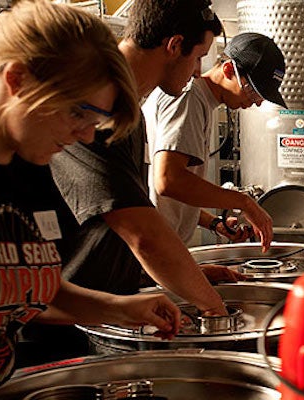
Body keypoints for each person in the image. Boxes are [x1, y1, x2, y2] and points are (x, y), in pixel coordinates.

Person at [0, 0, 180, 388]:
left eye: (94, 122)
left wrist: (123, 309)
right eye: (78, 114)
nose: (84, 136)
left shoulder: (33, 167)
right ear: (17, 80)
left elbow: (27, 288)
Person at [44, 0, 231, 314]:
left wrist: (186, 277)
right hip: (65, 321)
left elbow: (111, 224)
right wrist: (217, 311)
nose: (198, 72)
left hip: (104, 305)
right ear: (174, 45)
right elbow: (141, 233)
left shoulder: (129, 110)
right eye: (198, 58)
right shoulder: (98, 106)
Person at [144, 32, 282, 248]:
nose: (255, 103)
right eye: (253, 92)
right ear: (228, 70)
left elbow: (172, 193)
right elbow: (168, 180)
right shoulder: (189, 98)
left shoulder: (200, 102)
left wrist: (215, 223)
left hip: (162, 246)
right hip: (151, 248)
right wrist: (245, 203)